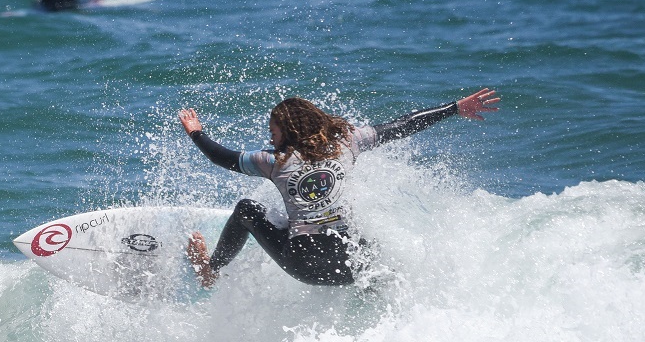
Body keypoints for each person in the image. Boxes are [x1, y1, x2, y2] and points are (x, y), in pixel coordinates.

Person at [179, 88, 500, 288]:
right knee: (363, 240)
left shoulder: (273, 161)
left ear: (288, 130)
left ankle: (212, 269)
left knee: (248, 210)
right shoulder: (348, 143)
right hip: (351, 269)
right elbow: (403, 125)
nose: (271, 136)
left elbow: (223, 158)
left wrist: (196, 133)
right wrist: (454, 108)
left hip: (302, 265)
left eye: (273, 131)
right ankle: (383, 288)